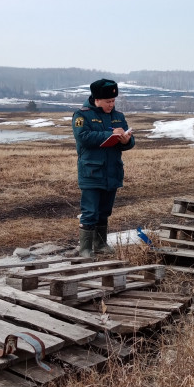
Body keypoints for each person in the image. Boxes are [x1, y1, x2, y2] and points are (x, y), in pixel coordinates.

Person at [72, 78, 135, 258]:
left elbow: (128, 142)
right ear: (97, 99)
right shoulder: (81, 115)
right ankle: (85, 249)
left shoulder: (118, 116)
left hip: (112, 171)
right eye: (108, 101)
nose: (111, 104)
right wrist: (109, 134)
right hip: (91, 172)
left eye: (113, 101)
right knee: (90, 211)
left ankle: (100, 244)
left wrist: (126, 140)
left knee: (104, 211)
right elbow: (83, 137)